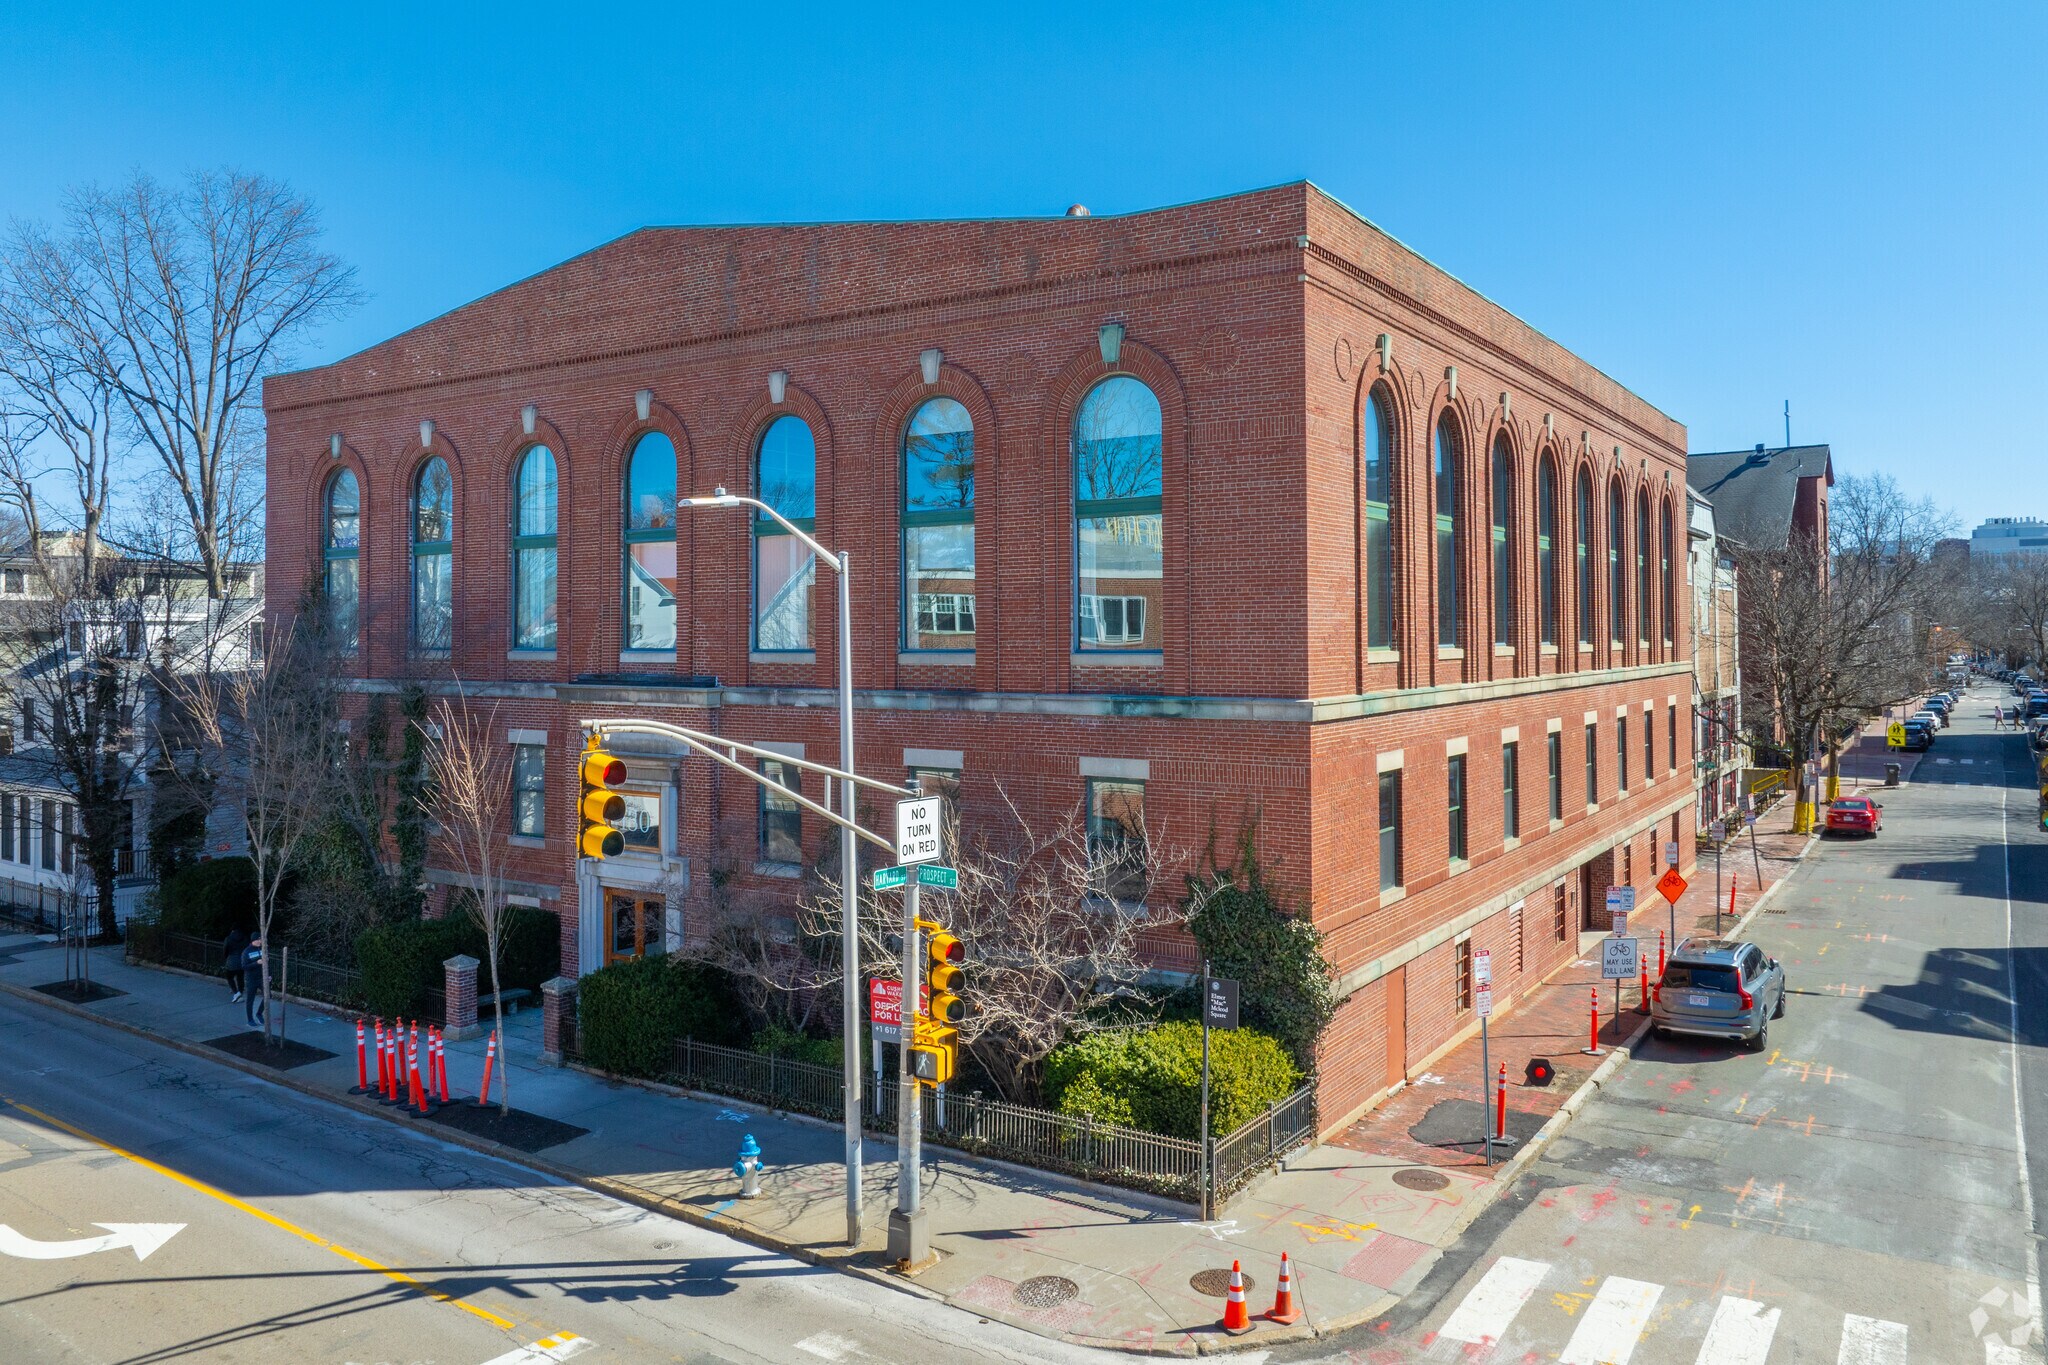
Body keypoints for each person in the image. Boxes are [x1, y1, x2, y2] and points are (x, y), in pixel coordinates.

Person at [242, 935, 267, 1029]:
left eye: (260, 940)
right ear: (253, 940)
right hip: (251, 979)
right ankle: (250, 1019)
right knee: (250, 999)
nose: (260, 941)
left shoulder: (262, 949)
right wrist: (256, 963)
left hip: (261, 978)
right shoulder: (246, 952)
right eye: (258, 940)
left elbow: (267, 962)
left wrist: (269, 975)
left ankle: (259, 1013)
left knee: (268, 995)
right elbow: (244, 966)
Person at [222, 927, 249, 1003]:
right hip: (242, 961)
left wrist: (226, 958)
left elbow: (225, 950)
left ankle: (236, 992)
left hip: (231, 961)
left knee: (229, 977)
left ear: (232, 931)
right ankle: (240, 992)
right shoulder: (245, 938)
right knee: (240, 977)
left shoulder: (228, 939)